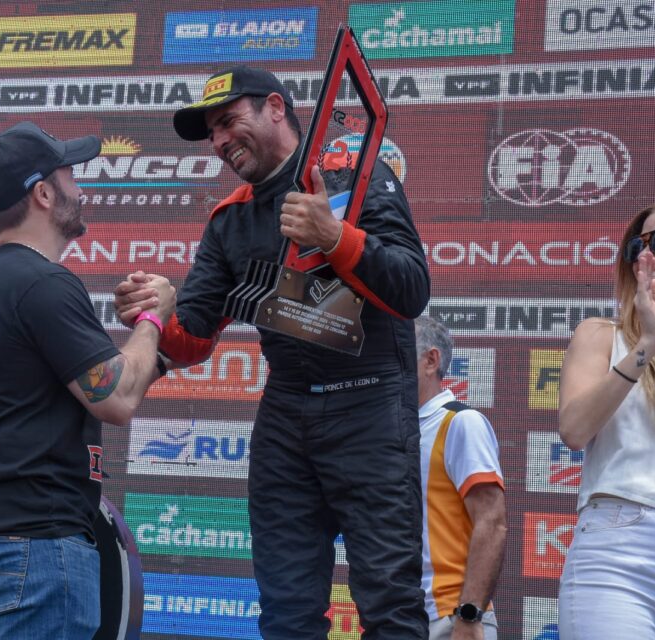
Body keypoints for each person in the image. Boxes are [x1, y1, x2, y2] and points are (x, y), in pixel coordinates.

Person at [114, 66, 431, 638]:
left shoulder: (353, 174)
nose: (219, 140)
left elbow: (411, 289)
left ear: (276, 108)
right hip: (286, 416)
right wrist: (155, 312)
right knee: (285, 612)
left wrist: (336, 238)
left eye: (229, 121)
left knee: (390, 605)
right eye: (212, 132)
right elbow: (193, 337)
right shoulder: (229, 218)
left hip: (371, 405)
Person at [0, 122, 175, 639]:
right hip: (34, 549)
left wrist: (153, 357)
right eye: (70, 176)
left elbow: (73, 382)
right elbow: (116, 397)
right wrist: (152, 319)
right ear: (43, 193)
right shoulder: (42, 281)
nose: (80, 190)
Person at [557, 198, 655, 640]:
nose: (648, 255)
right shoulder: (602, 335)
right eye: (637, 247)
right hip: (621, 550)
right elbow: (574, 429)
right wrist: (647, 343)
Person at [414, 316, 506, 640]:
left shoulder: (461, 422)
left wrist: (469, 615)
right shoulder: (390, 431)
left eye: (396, 354)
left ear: (431, 361)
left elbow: (492, 522)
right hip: (398, 616)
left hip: (450, 617)